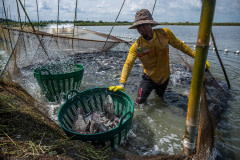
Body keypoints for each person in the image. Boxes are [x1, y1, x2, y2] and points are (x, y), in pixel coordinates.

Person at [109, 9, 210, 105]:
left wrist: (196, 57)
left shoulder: (165, 34)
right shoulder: (137, 47)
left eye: (143, 25)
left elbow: (180, 45)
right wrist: (122, 83)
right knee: (139, 103)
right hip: (149, 78)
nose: (140, 29)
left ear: (151, 24)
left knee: (160, 99)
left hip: (165, 77)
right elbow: (128, 63)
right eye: (138, 26)